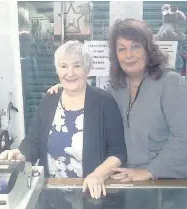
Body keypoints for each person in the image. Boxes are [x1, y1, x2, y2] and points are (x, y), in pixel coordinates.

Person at [47, 19, 187, 181]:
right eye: (122, 49)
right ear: (115, 55)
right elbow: (95, 105)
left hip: (163, 183)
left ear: (148, 50)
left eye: (135, 46)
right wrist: (68, 87)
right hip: (123, 179)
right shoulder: (115, 87)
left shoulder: (170, 82)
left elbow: (183, 137)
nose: (129, 55)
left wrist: (149, 171)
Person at [0, 40, 127, 199]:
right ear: (57, 70)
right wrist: (20, 154)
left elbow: (118, 153)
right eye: (64, 66)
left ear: (87, 69)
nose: (70, 73)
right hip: (51, 194)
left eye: (77, 66)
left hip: (91, 195)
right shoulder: (49, 100)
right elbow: (33, 142)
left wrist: (97, 175)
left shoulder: (104, 102)